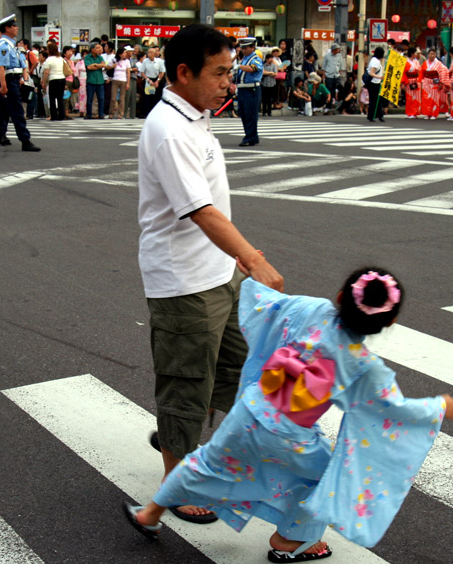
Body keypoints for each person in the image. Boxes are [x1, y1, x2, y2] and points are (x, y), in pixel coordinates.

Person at [123, 267, 453, 562]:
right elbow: (393, 409)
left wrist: (250, 273)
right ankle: (290, 541)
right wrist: (439, 405)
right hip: (290, 437)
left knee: (206, 461)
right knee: (323, 481)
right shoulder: (362, 366)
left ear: (341, 296)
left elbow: (268, 305)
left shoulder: (312, 310)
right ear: (390, 321)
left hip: (250, 411)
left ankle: (150, 514)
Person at [136, 23, 283, 527]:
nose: (228, 82)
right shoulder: (169, 129)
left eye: (230, 72)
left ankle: (180, 435)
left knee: (239, 370)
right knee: (185, 383)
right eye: (219, 73)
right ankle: (175, 482)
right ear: (183, 72)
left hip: (218, 273)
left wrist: (236, 262)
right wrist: (253, 258)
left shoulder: (192, 118)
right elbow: (200, 210)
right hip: (184, 282)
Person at [0, 14, 40, 151]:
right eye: (14, 26)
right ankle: (25, 141)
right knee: (17, 111)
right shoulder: (4, 46)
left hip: (11, 80)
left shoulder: (11, 45)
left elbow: (15, 67)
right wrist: (4, 86)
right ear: (7, 28)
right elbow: (1, 67)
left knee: (2, 112)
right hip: (6, 81)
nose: (17, 28)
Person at [234, 37, 262, 146]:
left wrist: (239, 66)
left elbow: (253, 69)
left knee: (250, 114)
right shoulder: (245, 58)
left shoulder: (255, 58)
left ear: (252, 47)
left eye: (245, 48)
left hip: (252, 89)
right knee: (244, 113)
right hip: (243, 89)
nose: (243, 50)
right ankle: (253, 136)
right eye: (242, 48)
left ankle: (249, 137)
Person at [42, 42, 66, 121]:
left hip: (53, 79)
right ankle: (62, 115)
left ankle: (54, 116)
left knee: (52, 98)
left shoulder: (49, 59)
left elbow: (46, 72)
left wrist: (44, 82)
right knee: (60, 98)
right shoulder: (61, 58)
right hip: (62, 79)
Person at [418, 48, 445, 120]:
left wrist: (441, 83)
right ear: (428, 55)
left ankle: (434, 113)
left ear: (436, 55)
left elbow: (442, 74)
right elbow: (422, 73)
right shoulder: (425, 63)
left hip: (435, 83)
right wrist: (420, 81)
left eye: (433, 54)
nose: (432, 55)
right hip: (426, 82)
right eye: (430, 54)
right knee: (426, 99)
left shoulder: (439, 64)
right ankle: (427, 113)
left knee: (434, 99)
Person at [84, 42, 106, 119]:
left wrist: (95, 65)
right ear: (92, 49)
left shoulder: (100, 57)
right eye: (97, 48)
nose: (99, 49)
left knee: (101, 98)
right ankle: (89, 114)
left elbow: (104, 65)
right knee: (89, 99)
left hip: (100, 81)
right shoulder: (87, 57)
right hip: (91, 80)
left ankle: (101, 114)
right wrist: (98, 66)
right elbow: (89, 67)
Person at [141, 47, 165, 117]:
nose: (149, 54)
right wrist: (148, 80)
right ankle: (147, 113)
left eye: (151, 53)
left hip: (156, 79)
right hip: (148, 79)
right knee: (147, 98)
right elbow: (142, 72)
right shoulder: (145, 61)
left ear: (154, 54)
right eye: (148, 52)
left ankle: (156, 114)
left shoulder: (159, 61)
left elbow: (162, 72)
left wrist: (158, 81)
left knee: (156, 97)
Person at [109, 46, 130, 119]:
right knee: (113, 98)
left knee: (122, 98)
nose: (125, 54)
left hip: (123, 80)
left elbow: (128, 72)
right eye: (124, 53)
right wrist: (112, 66)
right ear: (120, 54)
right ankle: (111, 113)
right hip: (115, 79)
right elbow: (108, 68)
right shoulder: (114, 60)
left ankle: (120, 114)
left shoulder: (127, 61)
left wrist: (128, 83)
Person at [366, 46, 386, 122]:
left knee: (376, 100)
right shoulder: (376, 62)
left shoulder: (374, 60)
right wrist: (380, 77)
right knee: (374, 100)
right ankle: (372, 116)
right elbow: (371, 73)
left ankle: (378, 115)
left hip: (375, 83)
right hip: (373, 83)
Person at [401, 47, 421, 118]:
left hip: (416, 80)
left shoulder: (416, 62)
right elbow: (403, 73)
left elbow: (419, 71)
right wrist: (403, 83)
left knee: (416, 98)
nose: (416, 54)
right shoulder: (406, 62)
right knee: (409, 98)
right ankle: (410, 112)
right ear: (412, 54)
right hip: (409, 81)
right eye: (415, 53)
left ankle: (415, 112)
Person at [321, 42, 342, 109]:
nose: (338, 50)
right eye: (337, 49)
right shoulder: (327, 56)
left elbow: (340, 65)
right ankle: (329, 104)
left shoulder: (339, 56)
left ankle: (336, 102)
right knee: (329, 89)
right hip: (329, 75)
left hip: (336, 75)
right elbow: (324, 66)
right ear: (334, 49)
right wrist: (324, 75)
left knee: (338, 89)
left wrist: (340, 72)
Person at [261, 52, 278, 117]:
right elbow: (263, 73)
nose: (271, 59)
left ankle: (269, 112)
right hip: (265, 83)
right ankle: (264, 111)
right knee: (264, 98)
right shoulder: (264, 65)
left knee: (270, 99)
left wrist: (267, 73)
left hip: (272, 84)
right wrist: (271, 73)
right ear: (267, 59)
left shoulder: (274, 65)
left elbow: (275, 74)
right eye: (270, 58)